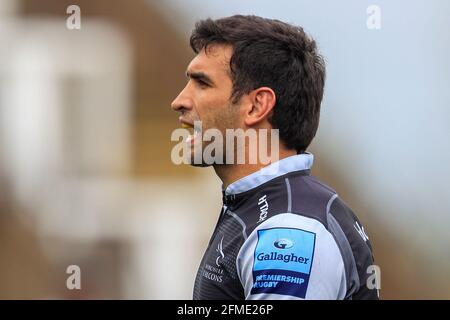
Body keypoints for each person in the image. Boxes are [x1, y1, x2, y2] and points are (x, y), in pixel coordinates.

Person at [171, 15, 379, 300]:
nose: (179, 101)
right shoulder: (260, 204)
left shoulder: (291, 229)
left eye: (202, 83)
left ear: (257, 106)